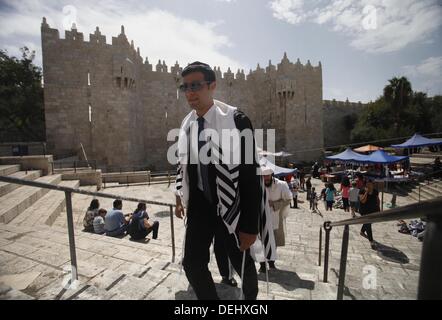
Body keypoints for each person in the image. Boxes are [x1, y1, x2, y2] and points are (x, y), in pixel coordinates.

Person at [174, 62, 270, 300]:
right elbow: (184, 167)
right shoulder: (188, 125)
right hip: (201, 207)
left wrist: (250, 226)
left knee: (243, 264)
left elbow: (250, 174)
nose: (190, 92)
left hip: (232, 206)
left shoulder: (236, 120)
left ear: (212, 86)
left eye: (196, 85)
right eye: (185, 87)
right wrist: (179, 196)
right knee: (192, 264)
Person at [259, 166, 292, 272]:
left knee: (273, 241)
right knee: (261, 241)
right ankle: (262, 264)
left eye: (267, 176)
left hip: (275, 218)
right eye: (263, 176)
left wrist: (274, 204)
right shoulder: (258, 184)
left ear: (271, 175)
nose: (265, 179)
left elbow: (288, 199)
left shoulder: (281, 185)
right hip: (261, 218)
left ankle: (271, 262)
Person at [359, 179, 379, 250]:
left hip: (373, 210)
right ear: (366, 185)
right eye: (368, 184)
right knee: (368, 224)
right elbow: (362, 201)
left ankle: (362, 231)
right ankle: (371, 241)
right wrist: (366, 193)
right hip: (364, 211)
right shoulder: (362, 191)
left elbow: (377, 200)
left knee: (368, 223)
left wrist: (379, 209)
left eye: (371, 184)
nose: (370, 185)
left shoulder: (375, 191)